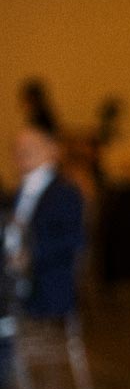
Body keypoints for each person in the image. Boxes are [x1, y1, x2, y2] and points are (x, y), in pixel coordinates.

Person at [3, 126, 85, 324]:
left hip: (46, 293)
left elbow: (74, 240)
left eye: (30, 145)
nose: (22, 151)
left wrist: (29, 255)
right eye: (18, 147)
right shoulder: (14, 193)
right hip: (10, 291)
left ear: (52, 150)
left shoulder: (65, 193)